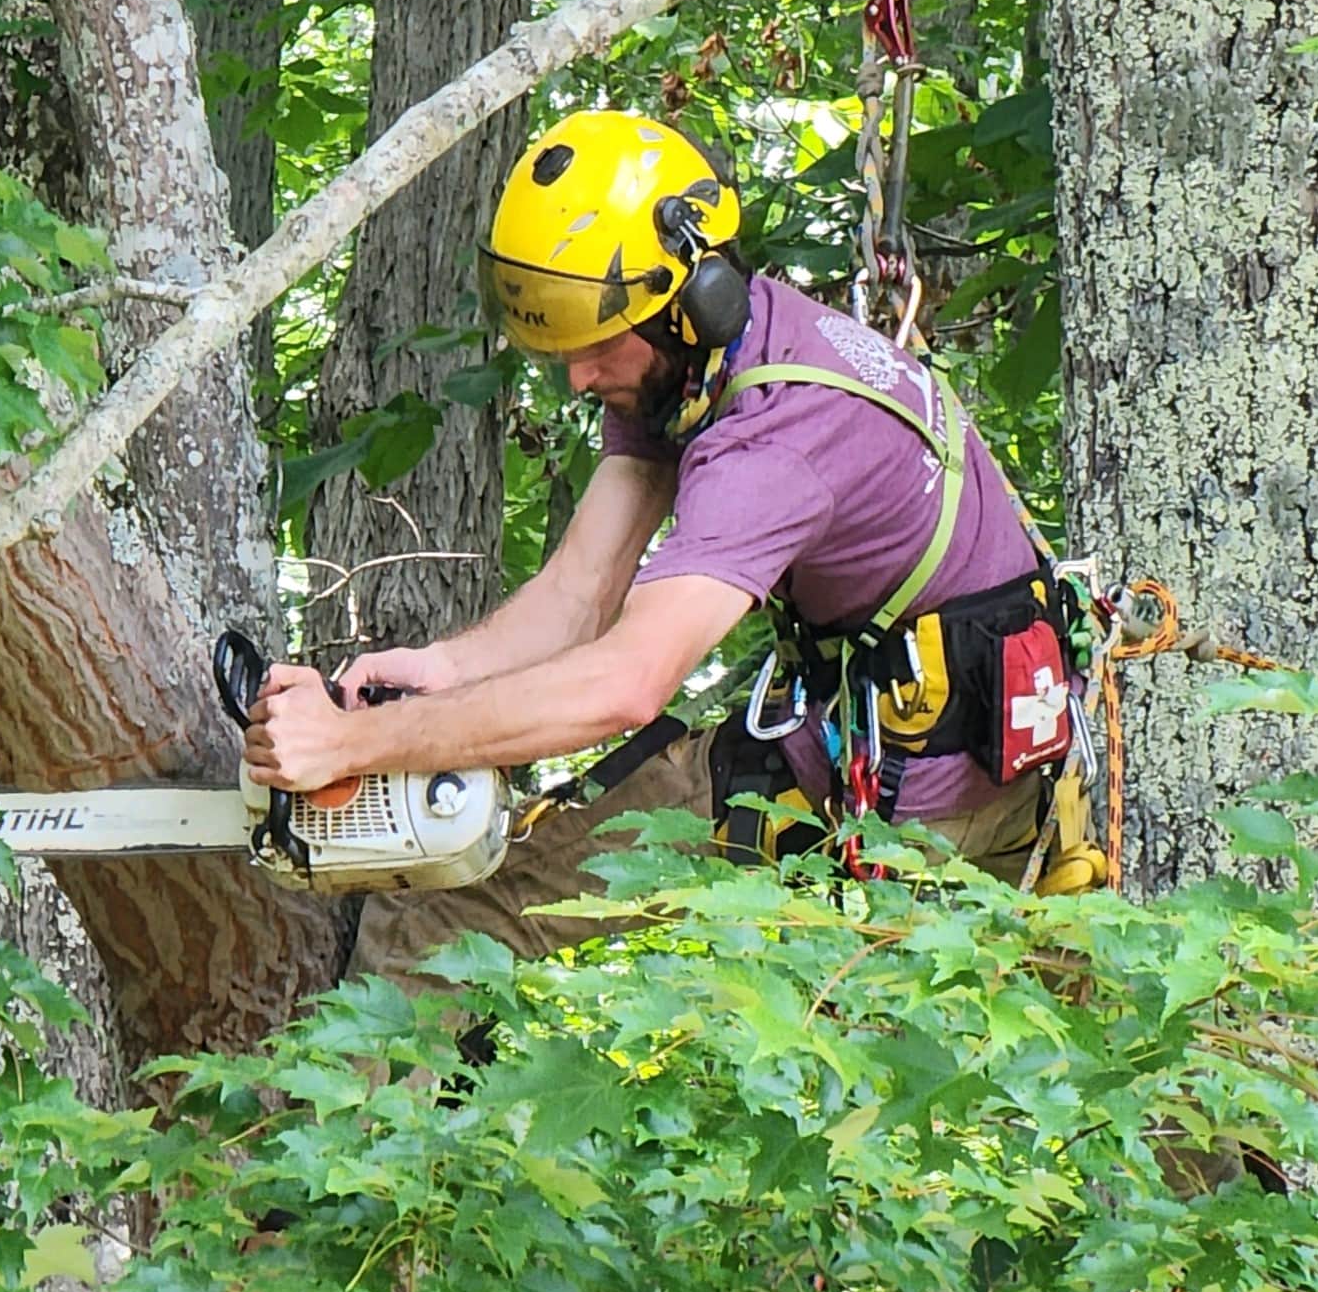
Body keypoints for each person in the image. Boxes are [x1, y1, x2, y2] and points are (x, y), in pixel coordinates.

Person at [243, 108, 1083, 985]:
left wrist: (349, 750)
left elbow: (624, 685)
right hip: (893, 731)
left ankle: (372, 1116)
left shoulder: (770, 444)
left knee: (440, 915)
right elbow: (581, 588)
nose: (576, 376)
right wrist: (449, 670)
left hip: (927, 792)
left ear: (696, 296)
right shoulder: (706, 362)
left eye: (597, 339)